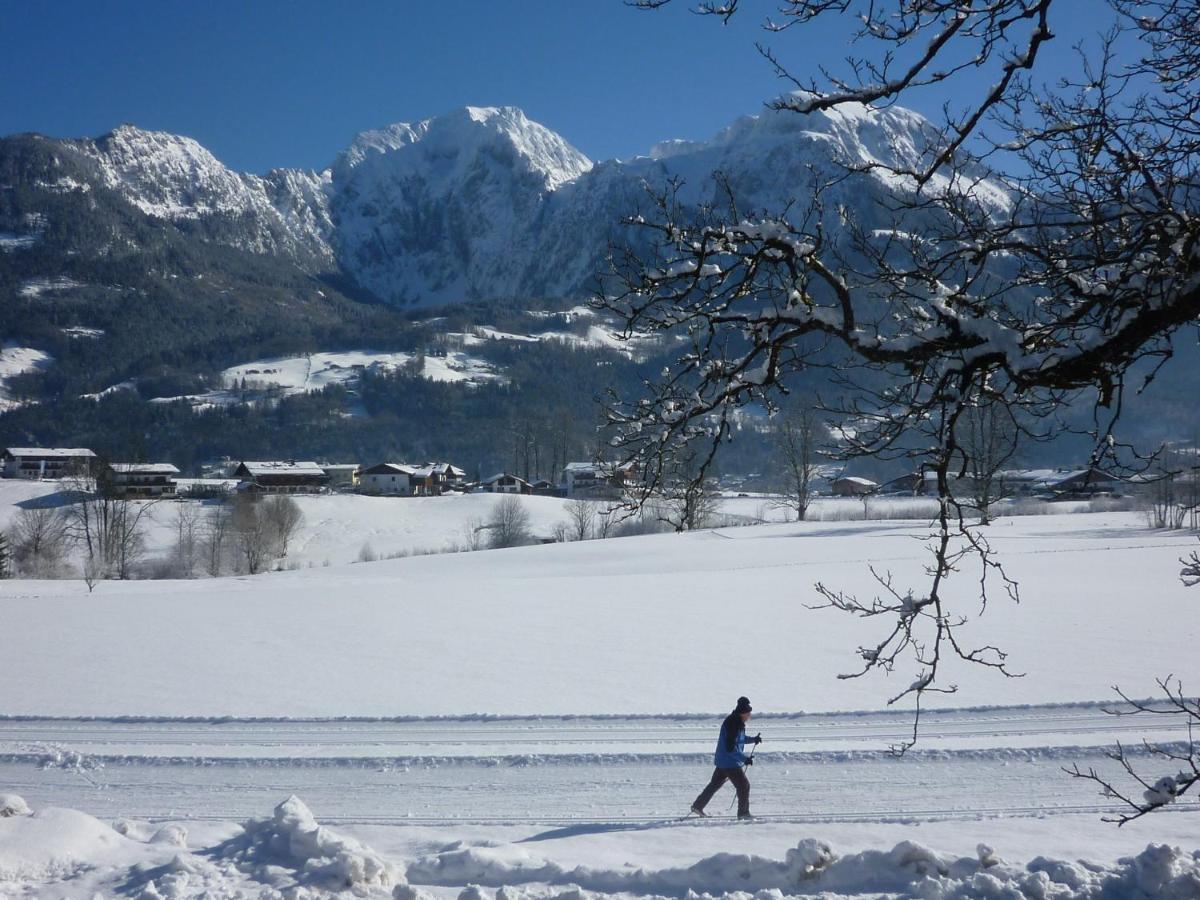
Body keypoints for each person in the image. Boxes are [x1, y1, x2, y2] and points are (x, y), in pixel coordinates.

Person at [691, 696, 761, 819]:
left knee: (714, 785)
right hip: (730, 763)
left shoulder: (736, 721)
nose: (750, 717)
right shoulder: (733, 724)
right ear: (743, 713)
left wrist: (753, 739)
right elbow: (730, 748)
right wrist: (744, 759)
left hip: (723, 761)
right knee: (744, 785)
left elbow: (740, 740)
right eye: (749, 714)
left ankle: (698, 806)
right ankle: (743, 813)